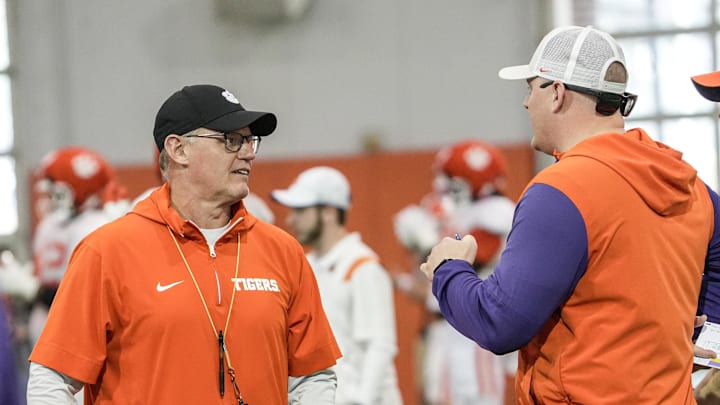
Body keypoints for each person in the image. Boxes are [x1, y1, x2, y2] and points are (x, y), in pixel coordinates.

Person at [419, 25, 720, 404]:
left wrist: (448, 270)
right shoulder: (688, 183)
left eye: (531, 88)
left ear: (557, 92)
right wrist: (696, 338)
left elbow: (499, 324)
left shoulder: (562, 191)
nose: (526, 103)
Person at [27, 84, 342, 404]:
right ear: (178, 149)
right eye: (230, 140)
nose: (247, 152)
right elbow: (52, 376)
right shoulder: (107, 252)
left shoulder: (283, 252)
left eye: (250, 141)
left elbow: (313, 374)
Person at [393, 140, 516, 405]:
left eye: (453, 180)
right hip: (446, 328)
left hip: (473, 330)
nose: (444, 187)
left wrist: (430, 236)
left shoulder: (494, 215)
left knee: (476, 397)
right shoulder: (463, 213)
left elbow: (464, 260)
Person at [271, 166, 402, 405]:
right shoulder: (306, 265)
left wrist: (362, 399)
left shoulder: (362, 265)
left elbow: (380, 344)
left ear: (329, 212)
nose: (291, 220)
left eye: (300, 210)